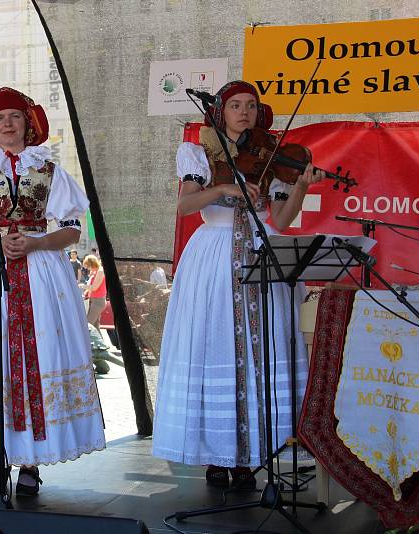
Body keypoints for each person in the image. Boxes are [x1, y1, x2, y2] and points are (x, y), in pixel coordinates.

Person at [152, 81, 323, 489]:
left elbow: (281, 221)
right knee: (217, 343)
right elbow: (187, 204)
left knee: (260, 348)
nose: (243, 112)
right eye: (235, 105)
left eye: (250, 105)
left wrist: (300, 185)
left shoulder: (273, 157)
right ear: (220, 111)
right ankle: (216, 453)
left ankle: (252, 454)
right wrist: (224, 188)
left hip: (263, 251)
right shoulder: (200, 151)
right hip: (214, 252)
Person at [0, 87, 105, 496]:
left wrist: (36, 243)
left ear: (27, 123)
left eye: (14, 116)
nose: (7, 124)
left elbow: (71, 228)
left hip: (40, 268)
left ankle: (29, 462)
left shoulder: (48, 169)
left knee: (36, 354)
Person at [82, 254, 107, 329]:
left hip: (98, 302)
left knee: (88, 326)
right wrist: (86, 291)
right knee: (95, 327)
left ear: (92, 264)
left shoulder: (100, 271)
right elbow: (91, 286)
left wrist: (82, 286)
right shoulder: (95, 271)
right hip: (94, 301)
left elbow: (94, 288)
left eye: (88, 266)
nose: (88, 269)